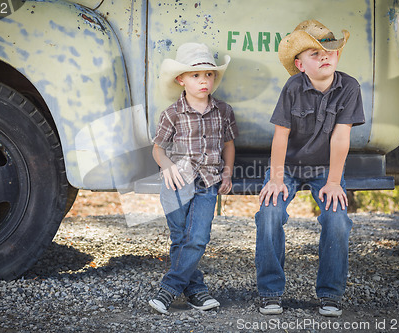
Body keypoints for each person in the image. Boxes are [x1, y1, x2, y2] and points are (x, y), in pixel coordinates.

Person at [255, 20, 365, 317]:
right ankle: (270, 291)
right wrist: (276, 178)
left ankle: (330, 294)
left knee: (337, 219)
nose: (324, 56)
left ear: (338, 56)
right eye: (314, 54)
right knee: (269, 212)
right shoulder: (293, 87)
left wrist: (334, 182)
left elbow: (342, 137)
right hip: (288, 167)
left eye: (329, 50)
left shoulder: (349, 87)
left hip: (325, 169)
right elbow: (281, 135)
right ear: (300, 64)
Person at [148, 42, 239, 314]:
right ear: (181, 80)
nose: (204, 81)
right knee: (180, 237)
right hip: (177, 182)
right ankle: (196, 291)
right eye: (196, 75)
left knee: (197, 237)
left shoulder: (223, 111)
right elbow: (158, 148)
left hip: (209, 181)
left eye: (209, 75)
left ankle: (168, 290)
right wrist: (166, 167)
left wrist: (228, 172)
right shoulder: (172, 114)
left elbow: (229, 144)